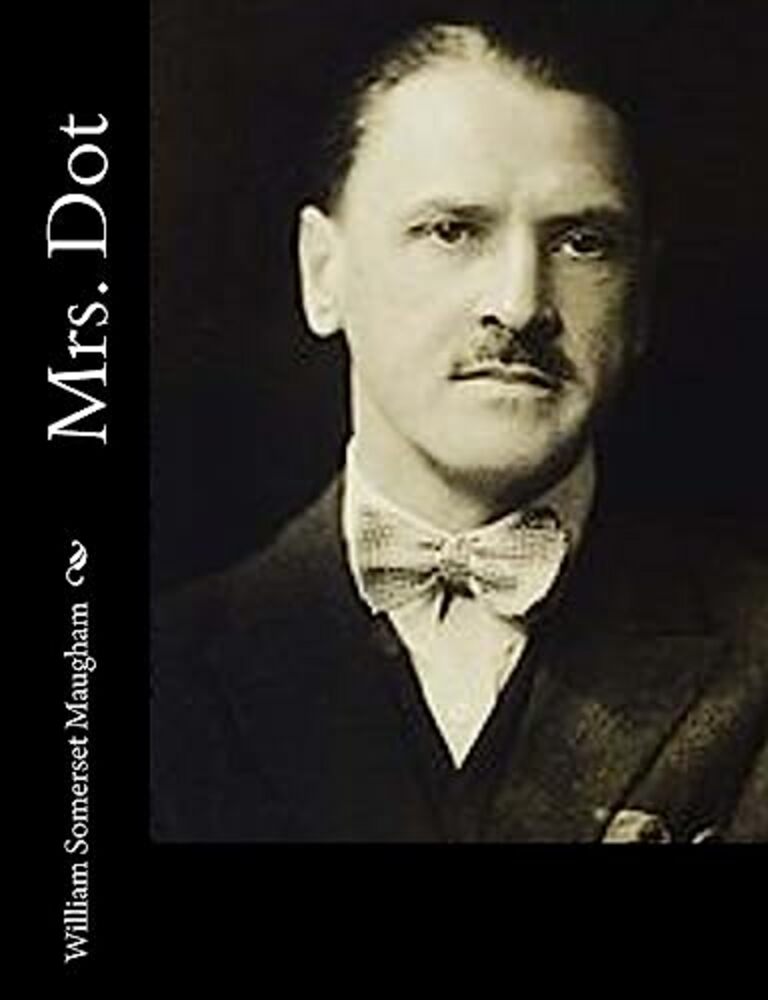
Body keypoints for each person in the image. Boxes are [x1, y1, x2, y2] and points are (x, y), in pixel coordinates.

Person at [151, 14, 767, 843]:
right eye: (451, 231)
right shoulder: (159, 675)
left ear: (642, 300)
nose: (519, 304)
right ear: (322, 274)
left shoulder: (755, 651)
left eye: (583, 243)